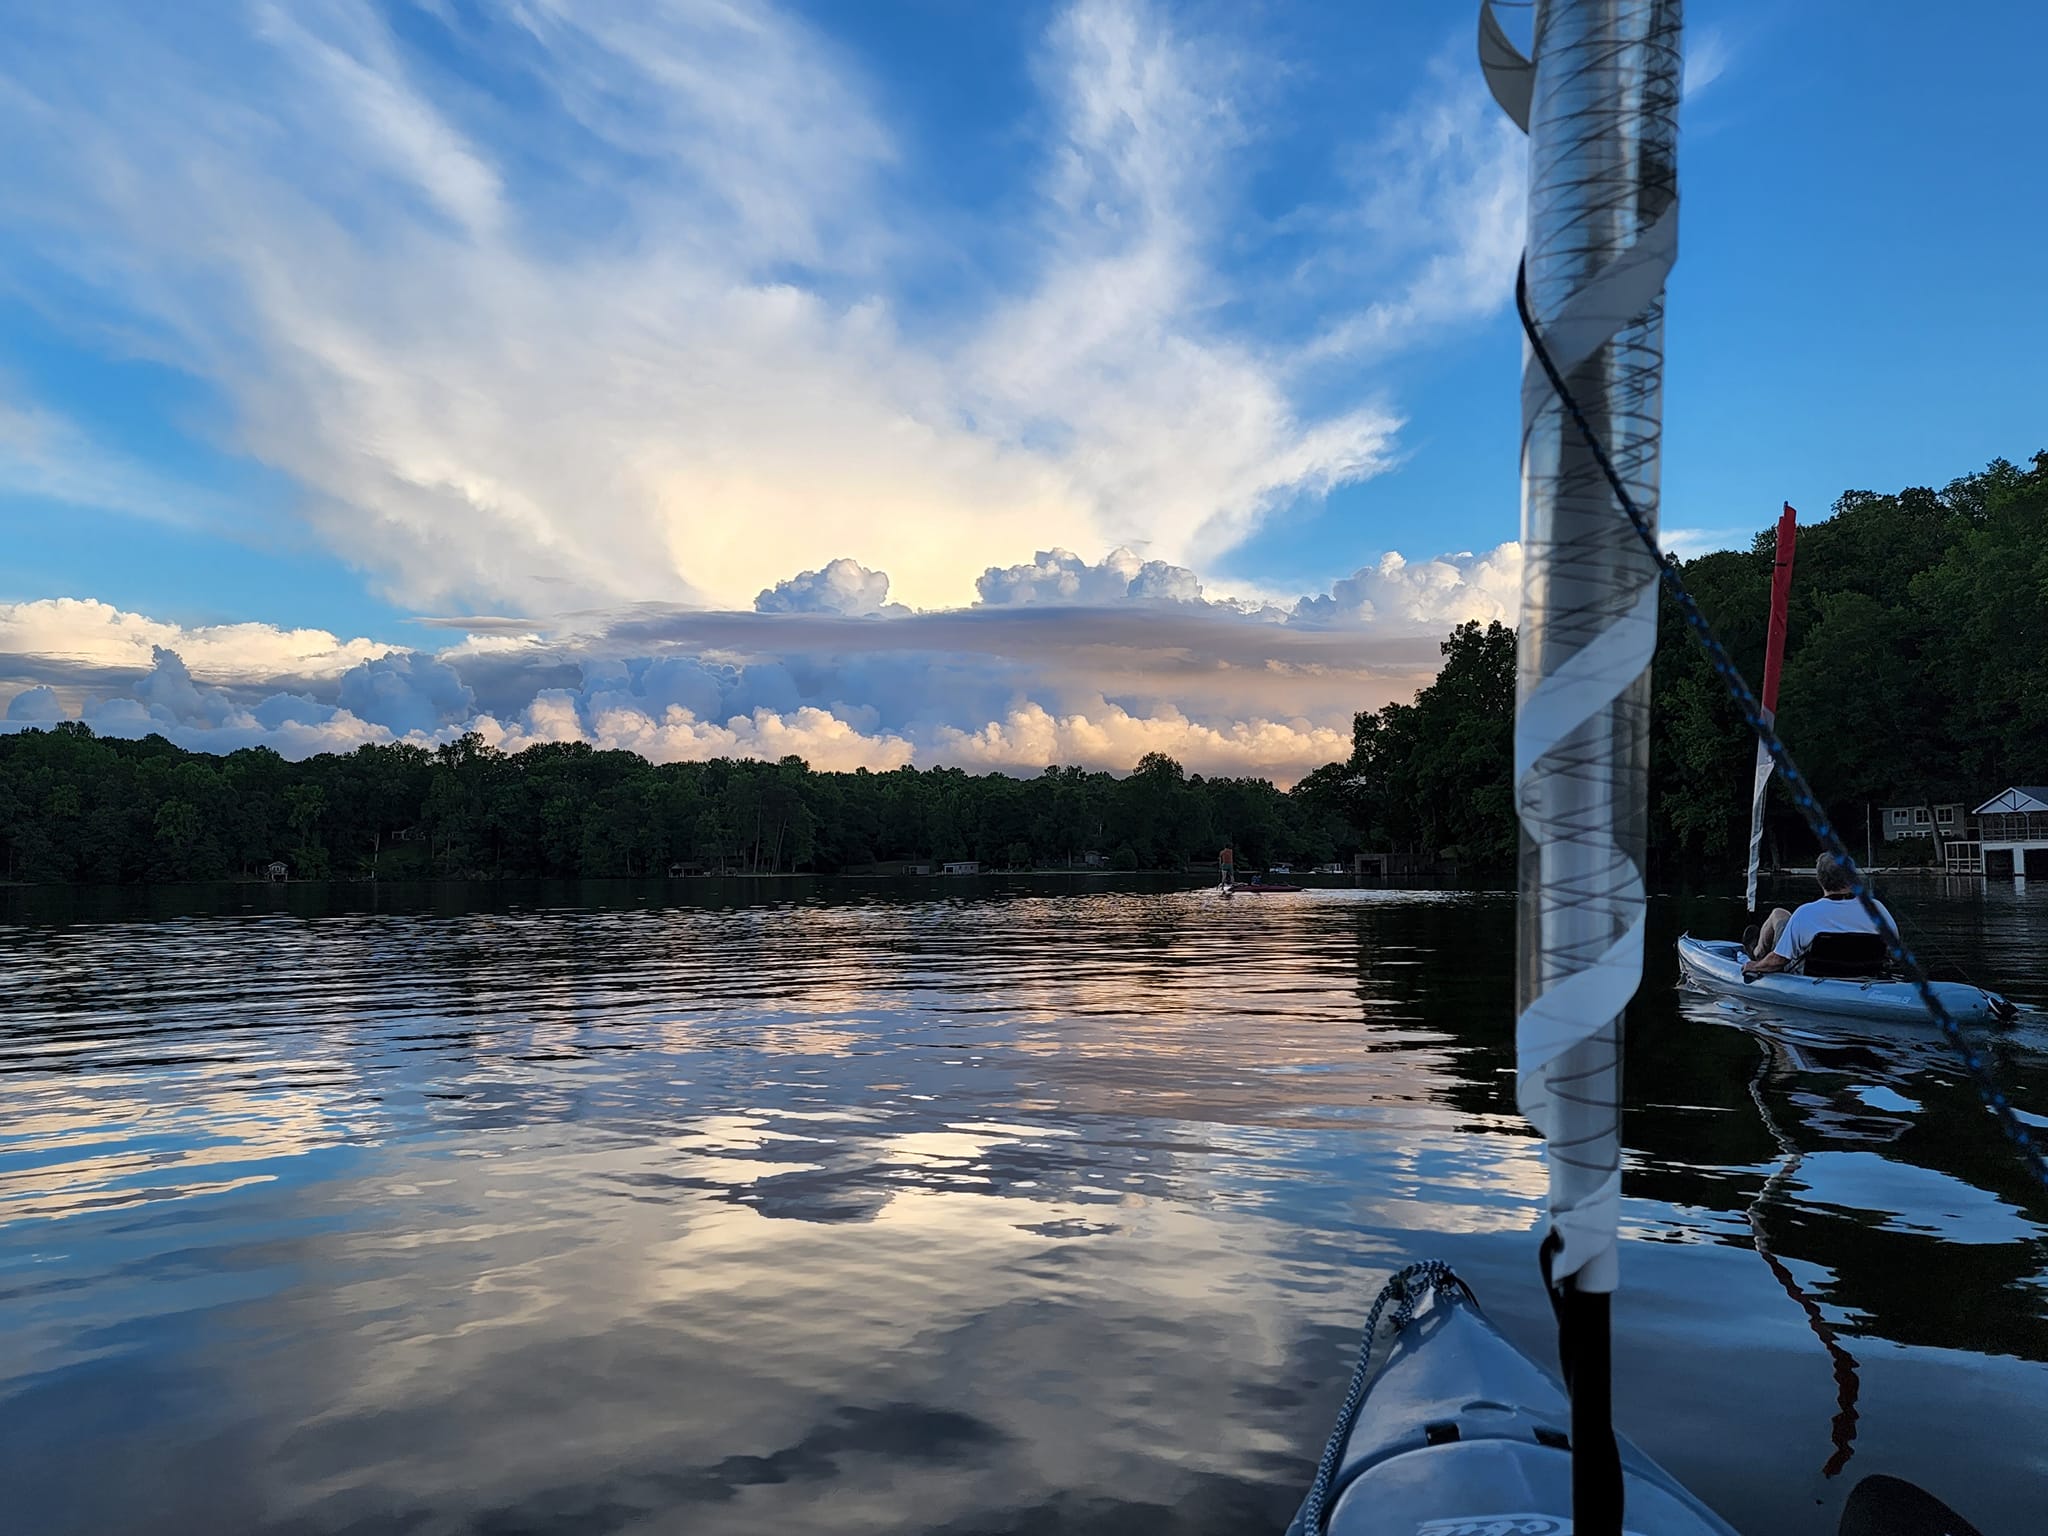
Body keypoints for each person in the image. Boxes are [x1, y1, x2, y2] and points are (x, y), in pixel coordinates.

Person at [1743, 852, 1895, 976]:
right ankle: (1757, 950)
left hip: (1815, 974)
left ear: (1820, 880)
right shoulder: (1877, 908)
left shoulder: (1806, 913)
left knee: (1779, 914)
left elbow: (1778, 960)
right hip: (1864, 970)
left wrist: (1756, 967)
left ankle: (1757, 953)